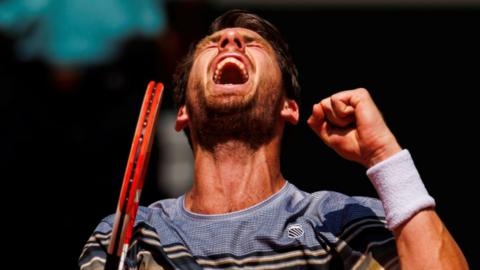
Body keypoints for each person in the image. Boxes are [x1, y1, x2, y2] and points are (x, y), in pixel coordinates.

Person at [79, 10, 468, 269]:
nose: (230, 39)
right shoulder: (133, 236)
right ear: (183, 112)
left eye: (254, 44)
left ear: (289, 107)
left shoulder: (343, 225)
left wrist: (385, 155)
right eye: (213, 45)